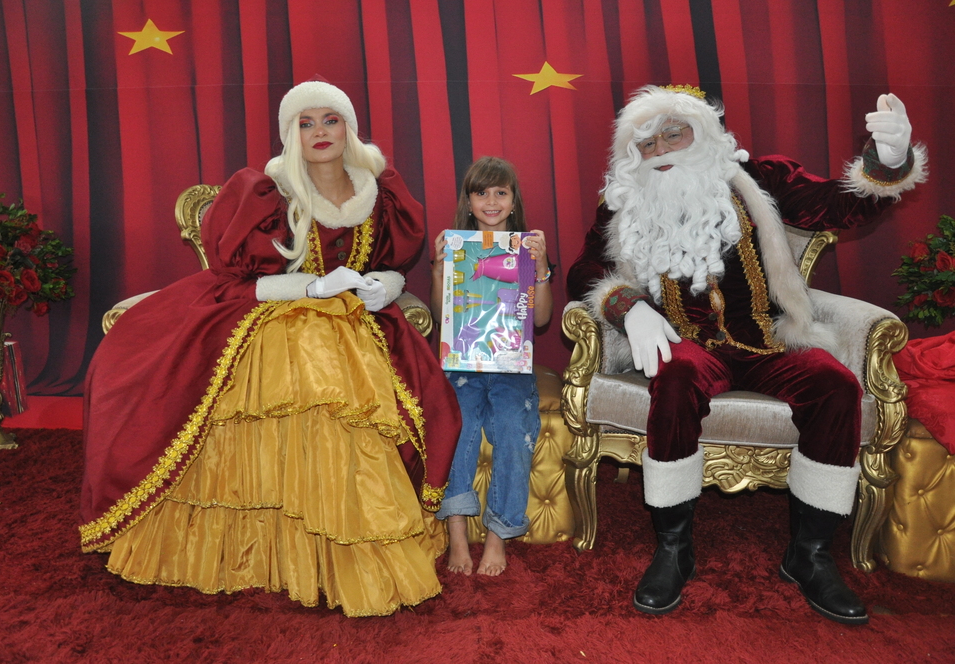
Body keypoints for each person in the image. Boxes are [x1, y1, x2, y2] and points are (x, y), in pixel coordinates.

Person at [79, 80, 461, 617]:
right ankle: (266, 551)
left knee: (354, 392)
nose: (319, 132)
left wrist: (388, 285)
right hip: (279, 318)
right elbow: (239, 280)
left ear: (348, 128)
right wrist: (313, 287)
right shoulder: (268, 193)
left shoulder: (381, 193)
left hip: (360, 322)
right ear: (290, 134)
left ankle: (342, 550)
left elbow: (388, 263)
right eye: (305, 123)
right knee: (311, 372)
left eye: (330, 120)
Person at [567, 85, 926, 624]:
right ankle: (674, 548)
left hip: (768, 338)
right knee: (675, 376)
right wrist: (628, 306)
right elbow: (585, 270)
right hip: (687, 342)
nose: (660, 150)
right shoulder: (625, 200)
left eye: (673, 134)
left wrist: (889, 161)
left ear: (703, 132)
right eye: (646, 143)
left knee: (836, 386)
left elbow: (840, 205)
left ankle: (809, 555)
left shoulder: (762, 177)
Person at [429, 156, 553, 575]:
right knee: (457, 423)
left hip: (510, 364)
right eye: (481, 192)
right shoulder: (456, 246)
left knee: (513, 426)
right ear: (468, 202)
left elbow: (540, 319)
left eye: (501, 192)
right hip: (462, 363)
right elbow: (441, 315)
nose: (492, 201)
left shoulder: (527, 249)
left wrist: (540, 269)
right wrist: (439, 268)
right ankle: (457, 533)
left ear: (514, 201)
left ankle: (499, 534)